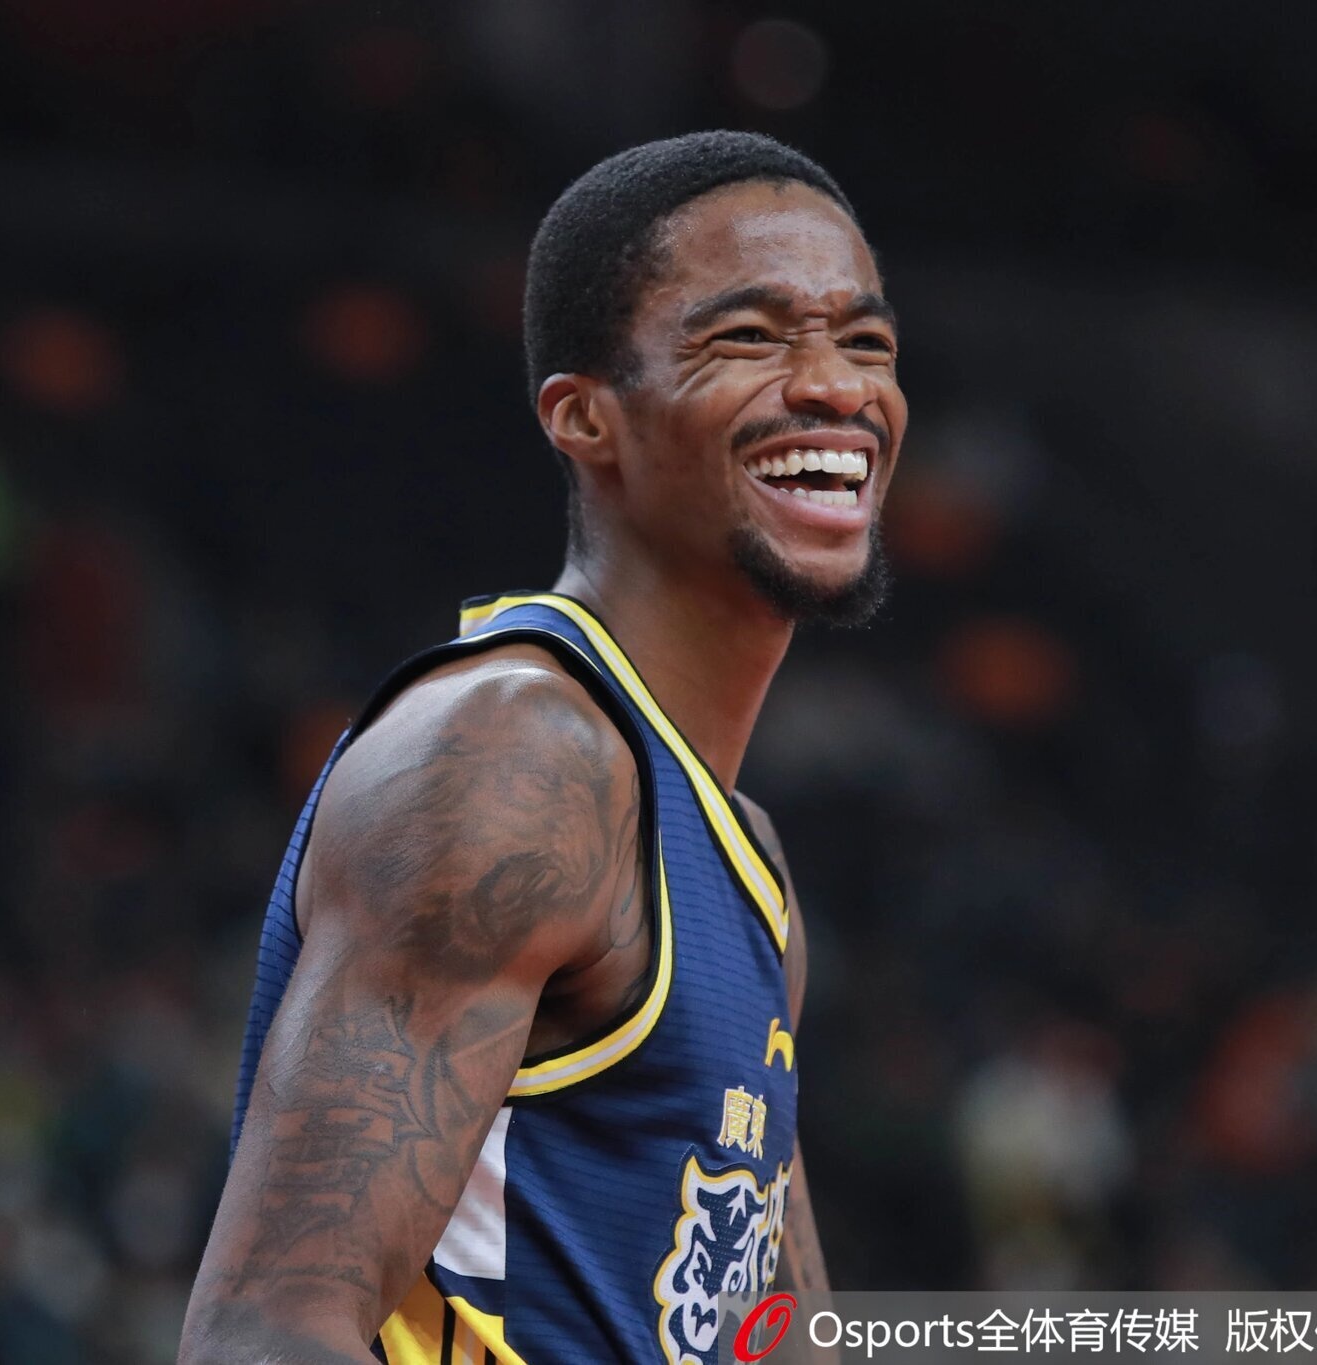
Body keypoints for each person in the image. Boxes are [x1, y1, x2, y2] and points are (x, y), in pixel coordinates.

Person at [178, 129, 905, 1365]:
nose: (836, 386)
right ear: (584, 418)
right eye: (749, 337)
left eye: (865, 342)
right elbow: (265, 1331)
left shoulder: (746, 865)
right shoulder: (517, 759)